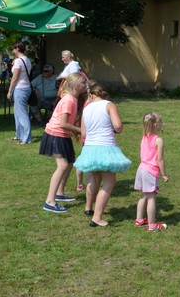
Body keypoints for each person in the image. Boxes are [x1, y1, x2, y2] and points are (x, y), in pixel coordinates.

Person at [74, 81, 130, 227]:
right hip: (105, 147)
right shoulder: (109, 105)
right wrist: (114, 129)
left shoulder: (86, 108)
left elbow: (84, 133)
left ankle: (88, 208)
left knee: (93, 179)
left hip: (90, 148)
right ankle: (97, 217)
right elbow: (118, 126)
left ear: (91, 94)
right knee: (109, 182)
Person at [39, 73, 87, 213]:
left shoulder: (72, 98)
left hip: (63, 135)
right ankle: (49, 201)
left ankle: (59, 193)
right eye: (83, 83)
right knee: (63, 165)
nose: (85, 85)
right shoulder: (69, 100)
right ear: (76, 85)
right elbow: (63, 124)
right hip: (55, 134)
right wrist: (80, 131)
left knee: (70, 162)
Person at [134, 112, 170, 232]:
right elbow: (160, 159)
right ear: (155, 124)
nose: (162, 124)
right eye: (161, 122)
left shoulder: (144, 136)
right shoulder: (158, 140)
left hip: (141, 169)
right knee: (151, 198)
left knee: (143, 195)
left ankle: (139, 220)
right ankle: (152, 225)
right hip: (150, 171)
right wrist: (164, 174)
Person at [6, 42, 33, 144]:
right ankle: (19, 135)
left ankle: (26, 138)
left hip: (20, 89)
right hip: (26, 87)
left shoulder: (18, 61)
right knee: (18, 114)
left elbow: (15, 77)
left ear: (17, 49)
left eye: (13, 48)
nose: (12, 50)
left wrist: (10, 91)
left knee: (22, 114)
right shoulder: (26, 59)